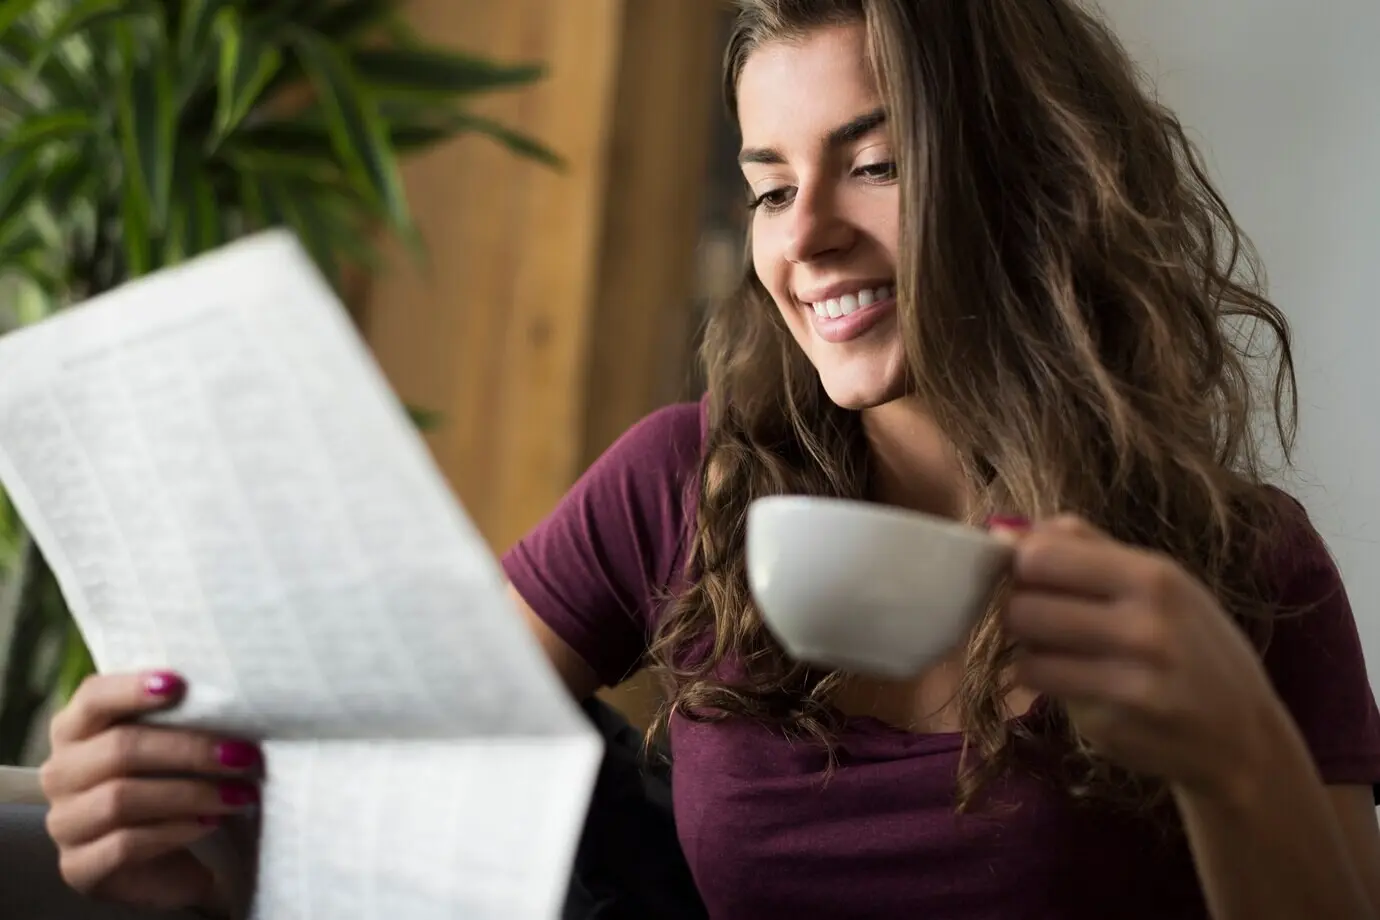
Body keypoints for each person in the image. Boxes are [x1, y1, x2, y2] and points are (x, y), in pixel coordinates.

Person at [34, 1, 1380, 918]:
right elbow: (401, 795)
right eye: (771, 187)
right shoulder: (678, 486)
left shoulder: (1240, 570)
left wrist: (1233, 751)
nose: (804, 242)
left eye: (876, 167)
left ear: (1025, 179)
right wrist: (190, 842)